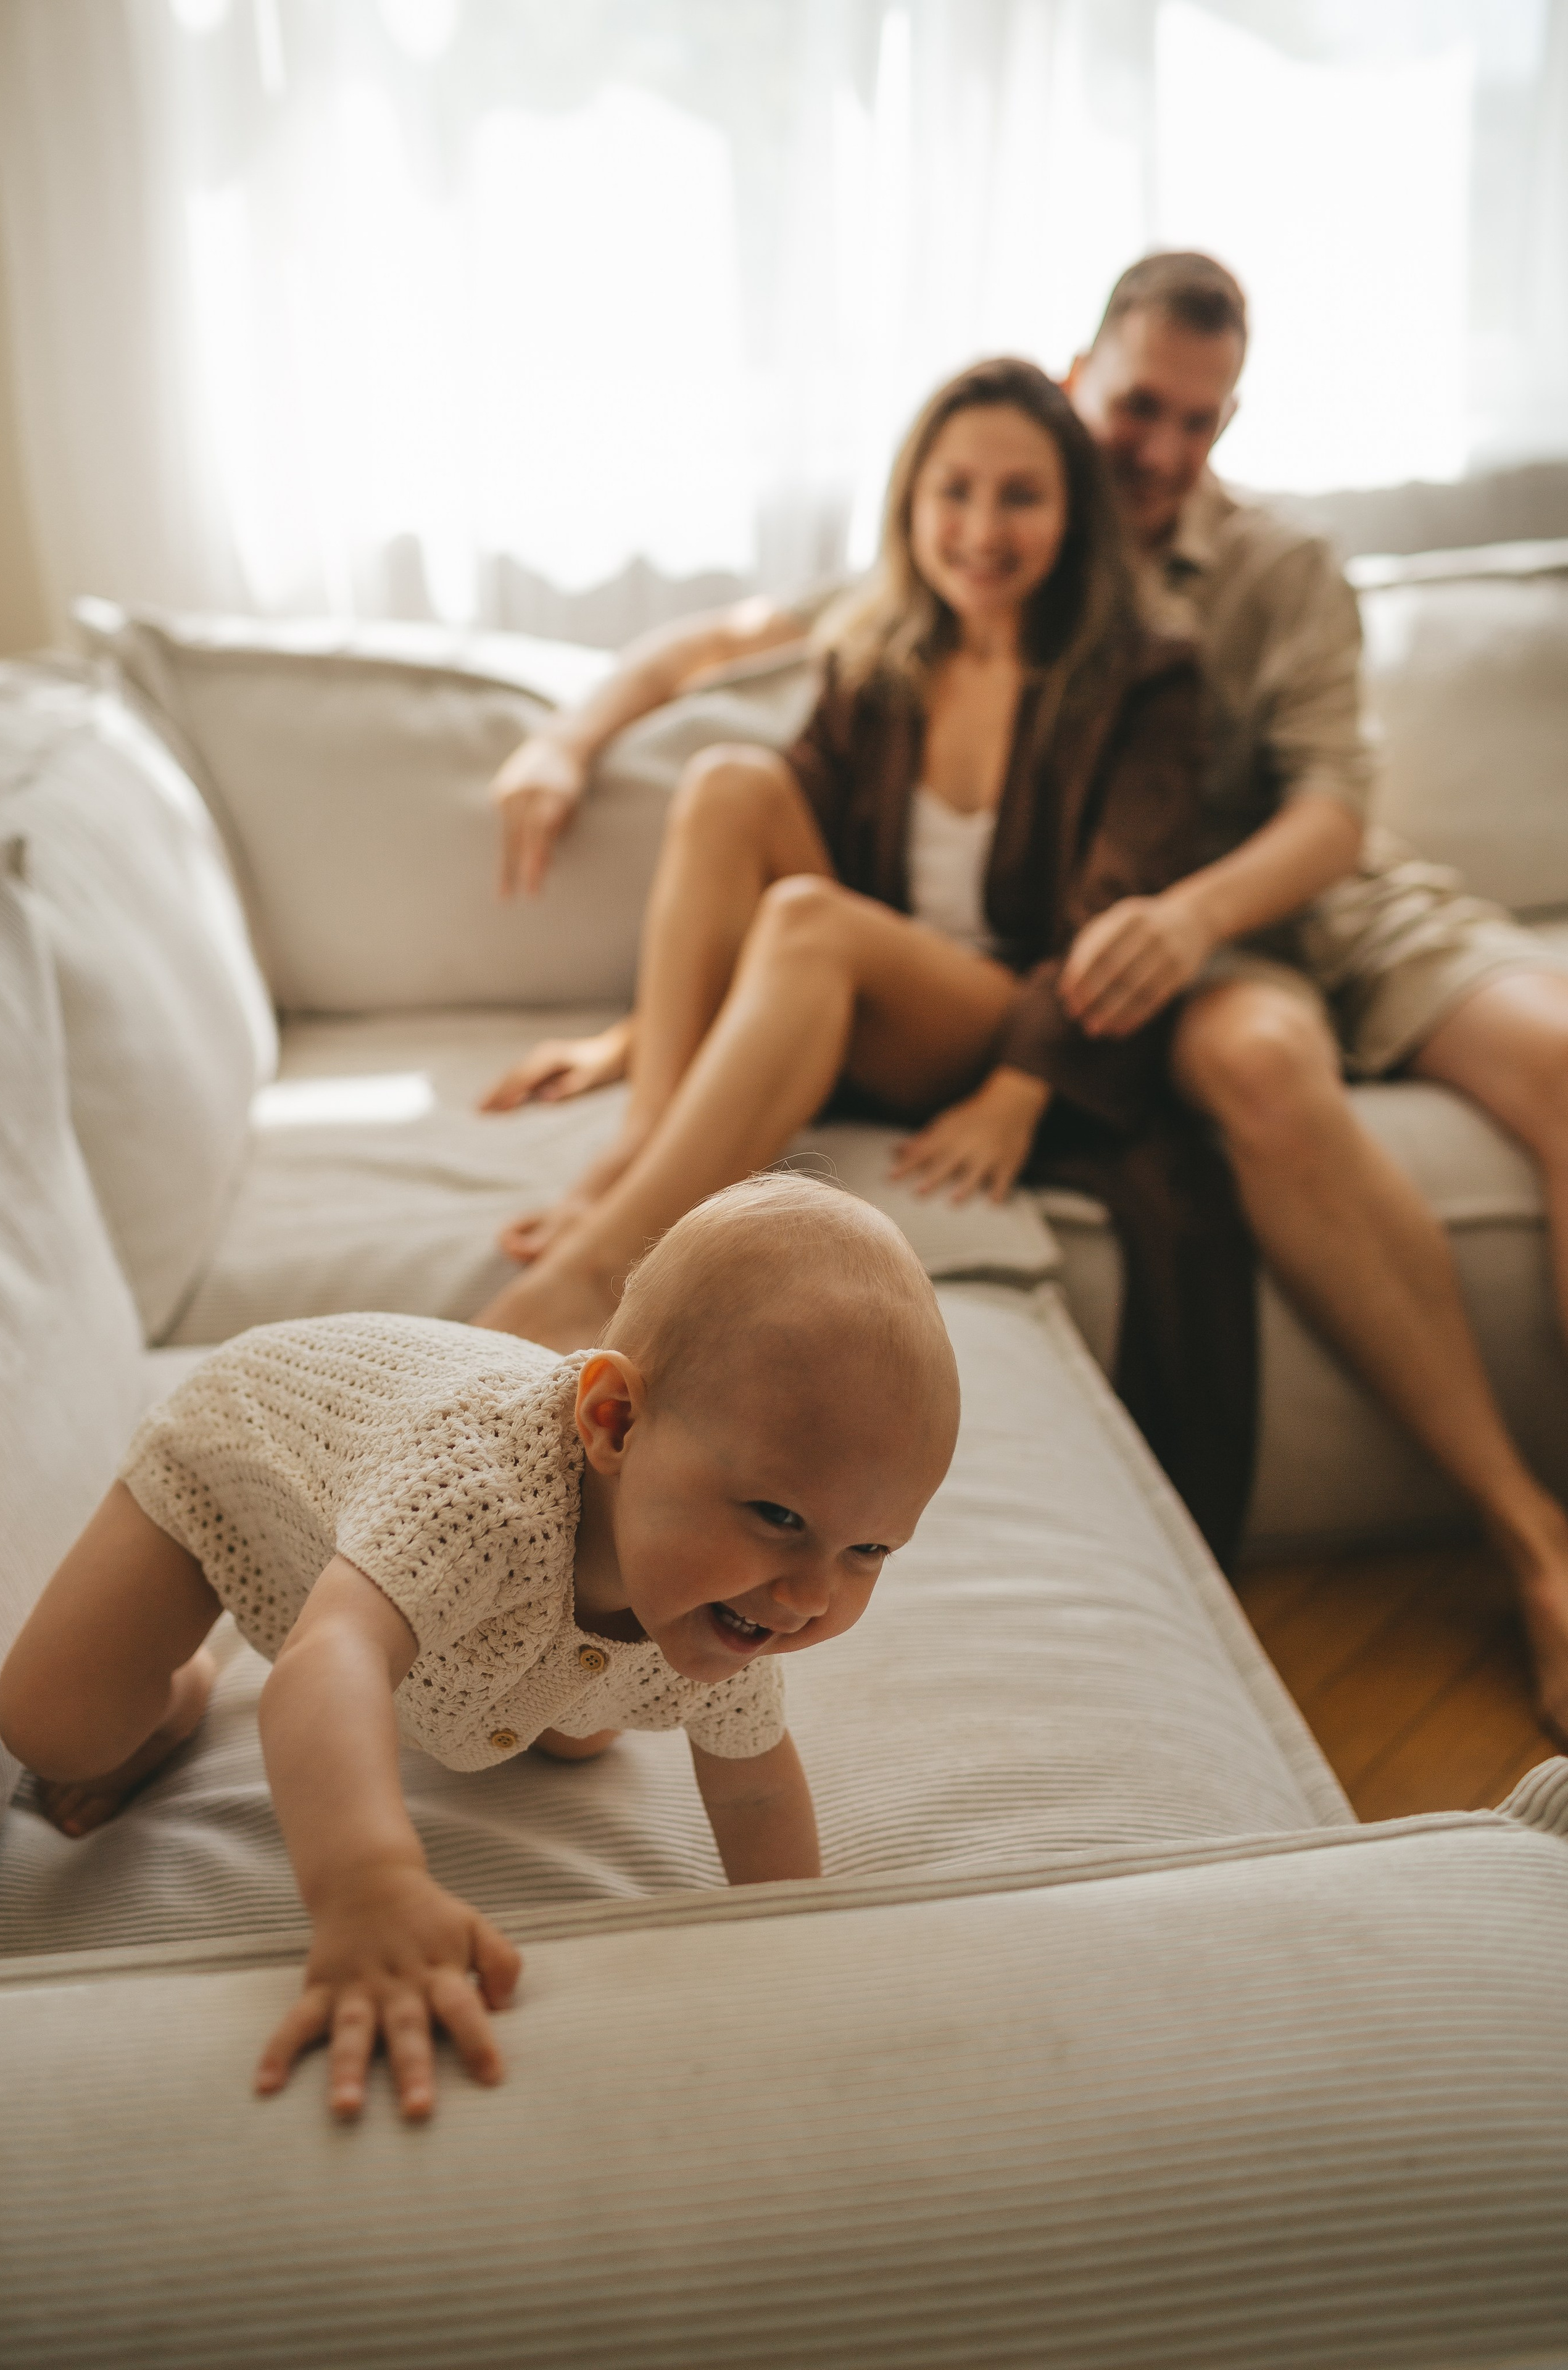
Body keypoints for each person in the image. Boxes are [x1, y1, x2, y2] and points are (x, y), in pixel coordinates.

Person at [481, 255, 1568, 1740]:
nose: (1162, 451)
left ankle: (1534, 1540)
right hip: (1057, 952)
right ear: (1076, 393)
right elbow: (729, 653)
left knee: (1436, 1065)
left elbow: (1309, 817)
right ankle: (632, 1214)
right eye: (1135, 410)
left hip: (1216, 930)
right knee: (751, 813)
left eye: (1199, 422)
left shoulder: (1213, 609)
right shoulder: (949, 568)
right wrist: (564, 751)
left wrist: (1096, 1004)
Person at [474, 357, 1255, 1555]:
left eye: (1018, 497)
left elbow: (1119, 910)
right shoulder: (875, 650)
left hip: (1013, 1013)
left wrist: (1017, 1091)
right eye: (953, 493)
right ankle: (643, 1148)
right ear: (908, 503)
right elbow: (778, 844)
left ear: (1071, 512)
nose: (980, 530)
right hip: (862, 991)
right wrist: (632, 1037)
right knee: (732, 782)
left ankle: (600, 1265)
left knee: (805, 919)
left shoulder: (1144, 671)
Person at [0, 1176, 961, 2122]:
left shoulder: (738, 1599)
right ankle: (183, 1690)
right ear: (613, 1422)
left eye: (868, 1549)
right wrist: (368, 1888)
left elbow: (751, 1783)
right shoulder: (480, 1498)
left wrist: (800, 1946)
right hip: (250, 1471)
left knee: (581, 1731)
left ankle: (519, 1676)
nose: (809, 1597)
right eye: (780, 1515)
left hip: (452, 1588)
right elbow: (327, 1661)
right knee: (57, 1731)